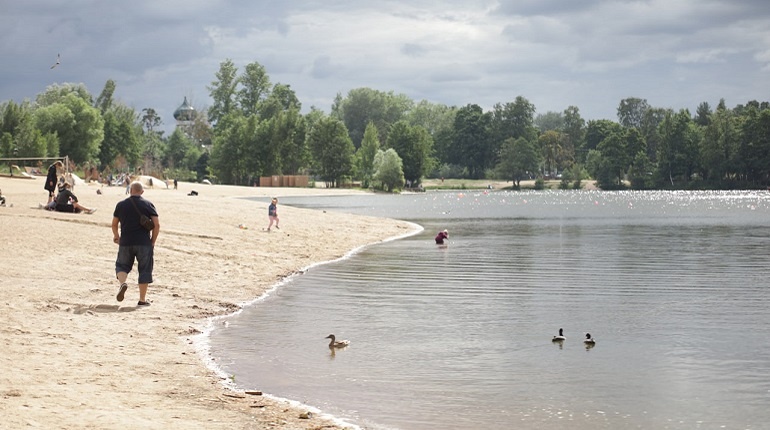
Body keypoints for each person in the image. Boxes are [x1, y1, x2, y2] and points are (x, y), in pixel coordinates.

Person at [112, 181, 159, 307]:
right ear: (142, 192)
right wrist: (152, 241)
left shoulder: (121, 205)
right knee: (144, 269)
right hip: (143, 242)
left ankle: (122, 284)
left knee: (122, 265)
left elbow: (114, 224)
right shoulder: (148, 204)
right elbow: (156, 225)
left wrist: (117, 236)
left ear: (130, 190)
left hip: (126, 242)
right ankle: (142, 300)